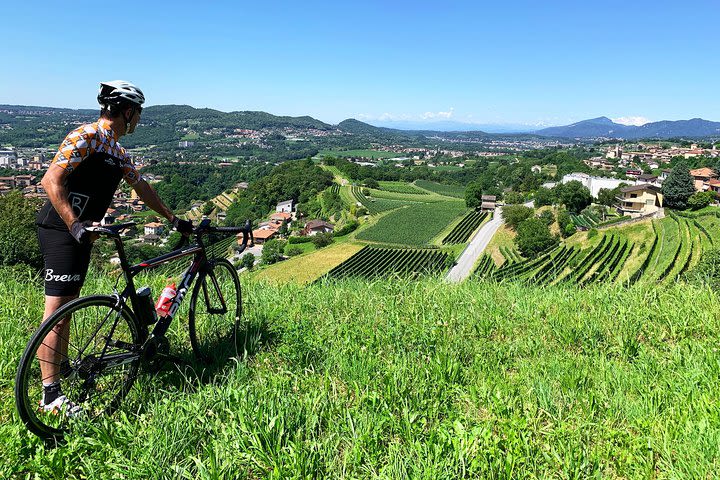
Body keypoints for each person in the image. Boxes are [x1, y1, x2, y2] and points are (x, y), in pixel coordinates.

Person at [35, 80, 192, 414]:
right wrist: (74, 224)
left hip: (82, 233)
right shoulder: (88, 135)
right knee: (58, 314)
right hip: (62, 229)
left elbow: (142, 187)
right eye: (137, 114)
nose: (138, 120)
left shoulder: (116, 150)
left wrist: (171, 218)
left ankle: (59, 373)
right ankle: (50, 397)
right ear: (128, 111)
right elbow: (51, 180)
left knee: (67, 309)